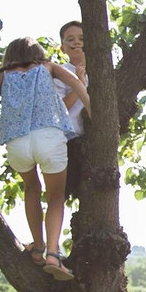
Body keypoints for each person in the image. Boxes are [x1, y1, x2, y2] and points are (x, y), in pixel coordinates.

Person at [0, 37, 91, 280]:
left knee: (31, 188)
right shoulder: (48, 67)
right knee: (55, 197)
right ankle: (53, 254)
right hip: (49, 136)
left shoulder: (4, 76)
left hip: (17, 142)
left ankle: (38, 247)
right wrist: (94, 114)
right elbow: (77, 86)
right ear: (39, 55)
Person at [54, 21, 88, 201]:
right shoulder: (61, 72)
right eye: (71, 39)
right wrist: (78, 86)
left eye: (82, 39)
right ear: (63, 48)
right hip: (71, 138)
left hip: (91, 136)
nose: (77, 43)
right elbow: (59, 108)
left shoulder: (102, 71)